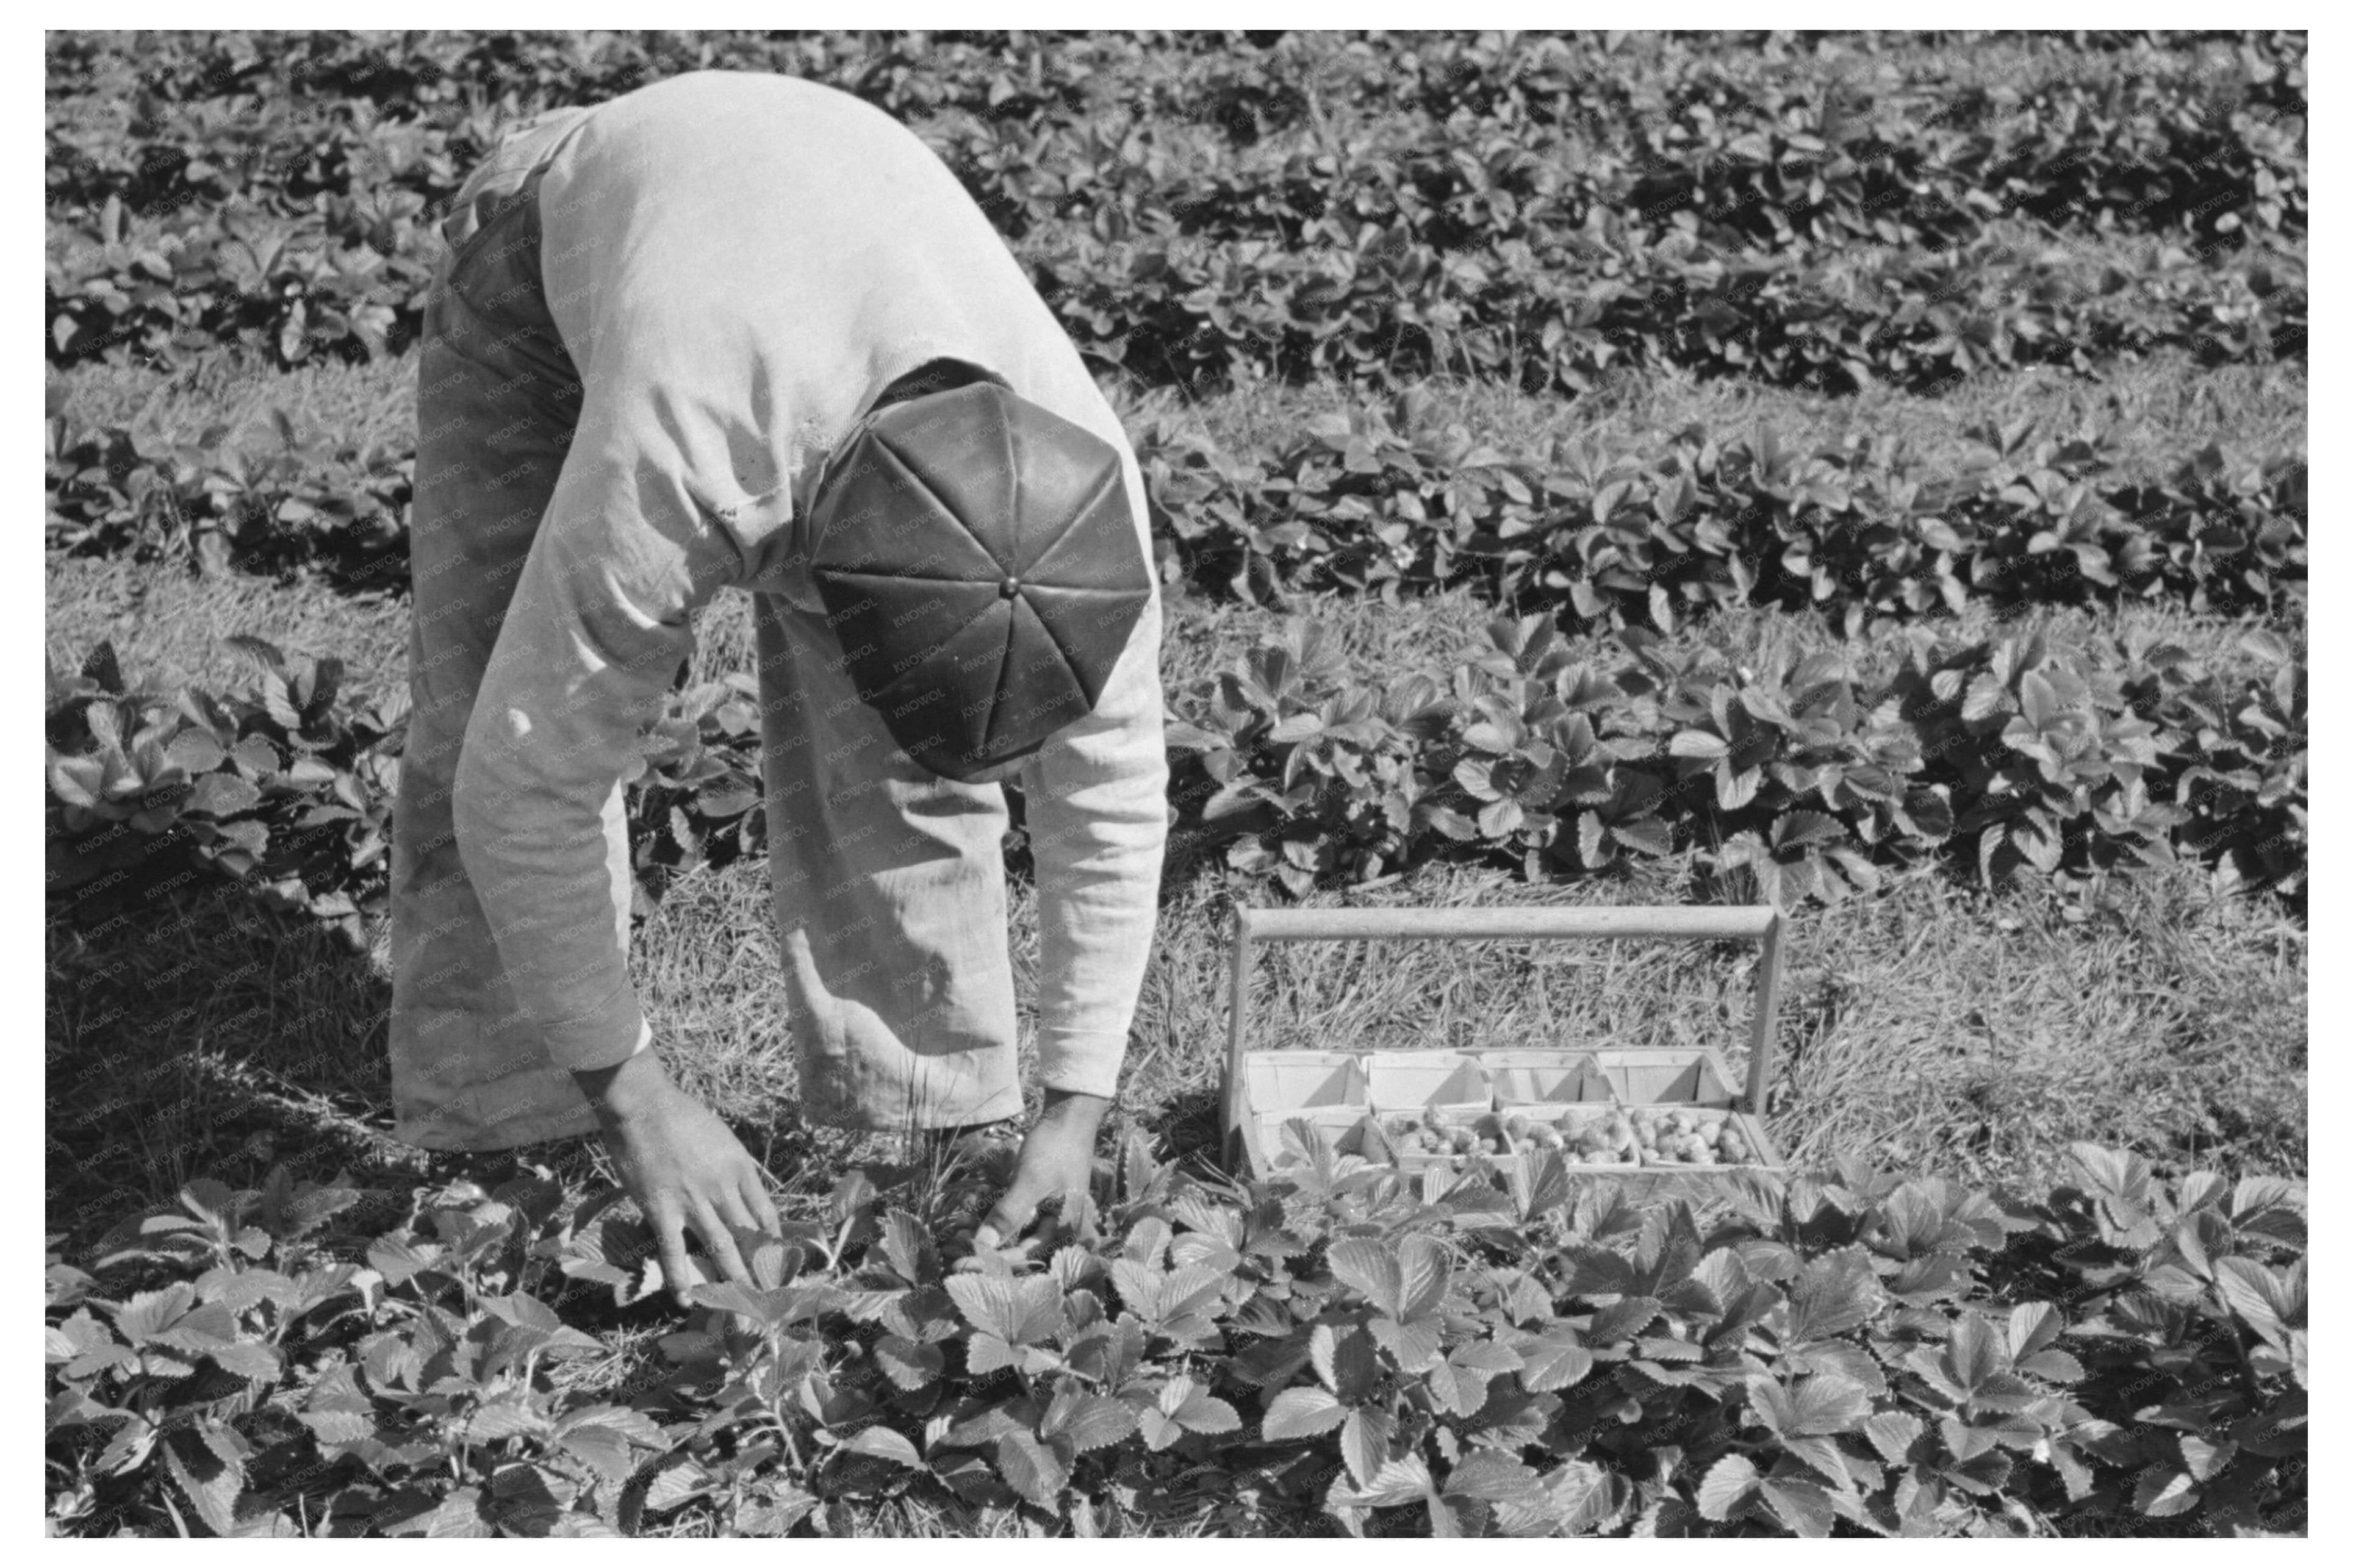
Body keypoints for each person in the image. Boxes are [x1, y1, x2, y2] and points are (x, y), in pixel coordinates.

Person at [387, 70, 1169, 1303]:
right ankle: (511, 1131)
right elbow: (525, 778)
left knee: (898, 757)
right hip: (551, 245)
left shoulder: (1075, 497)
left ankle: (921, 1124)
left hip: (803, 221)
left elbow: (1114, 796)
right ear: (805, 552)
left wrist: (1077, 1106)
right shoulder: (684, 451)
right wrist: (635, 1090)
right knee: (493, 705)